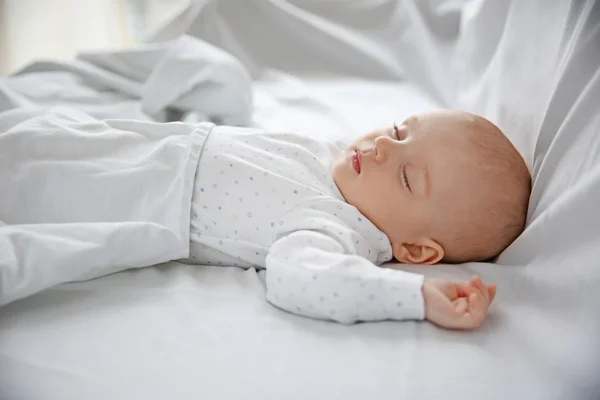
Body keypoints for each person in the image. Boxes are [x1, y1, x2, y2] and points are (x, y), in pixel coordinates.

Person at [0, 108, 531, 330]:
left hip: (139, 194)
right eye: (398, 130)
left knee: (28, 186)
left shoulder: (337, 228)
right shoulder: (339, 162)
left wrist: (417, 298)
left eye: (408, 177)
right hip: (140, 142)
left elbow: (308, 279)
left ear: (416, 252)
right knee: (28, 138)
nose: (382, 150)